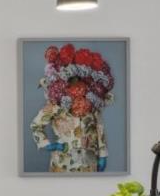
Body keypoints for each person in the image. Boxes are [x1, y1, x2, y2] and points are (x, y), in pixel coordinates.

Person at [29, 43, 114, 173]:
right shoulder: (55, 105)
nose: (76, 83)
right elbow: (36, 125)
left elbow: (99, 128)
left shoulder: (92, 104)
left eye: (80, 80)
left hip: (89, 163)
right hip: (63, 164)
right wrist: (49, 145)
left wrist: (102, 154)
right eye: (71, 80)